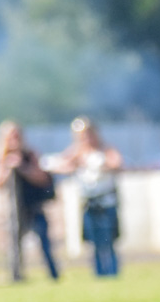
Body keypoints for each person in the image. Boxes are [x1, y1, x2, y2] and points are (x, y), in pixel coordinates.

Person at [50, 117, 123, 277]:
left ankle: (113, 272)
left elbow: (117, 163)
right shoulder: (77, 152)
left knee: (108, 241)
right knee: (94, 242)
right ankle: (99, 273)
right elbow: (61, 165)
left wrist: (100, 163)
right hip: (89, 202)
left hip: (106, 201)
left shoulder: (105, 150)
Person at [0, 121, 59, 282]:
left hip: (33, 205)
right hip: (14, 208)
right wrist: (7, 166)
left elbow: (42, 178)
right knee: (14, 244)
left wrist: (22, 166)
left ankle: (53, 274)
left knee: (44, 241)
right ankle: (17, 276)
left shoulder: (30, 154)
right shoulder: (1, 157)